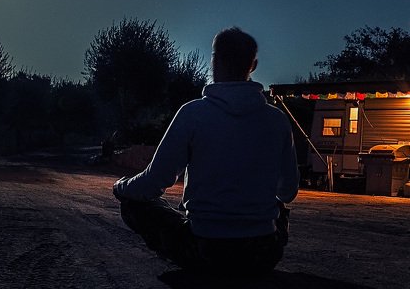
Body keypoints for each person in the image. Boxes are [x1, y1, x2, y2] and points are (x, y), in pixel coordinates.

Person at [113, 27, 299, 275]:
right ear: (253, 65)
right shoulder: (277, 120)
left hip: (206, 250)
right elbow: (287, 192)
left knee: (133, 204)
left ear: (214, 61)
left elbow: (155, 181)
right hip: (263, 253)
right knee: (278, 207)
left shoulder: (193, 114)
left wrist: (121, 187)